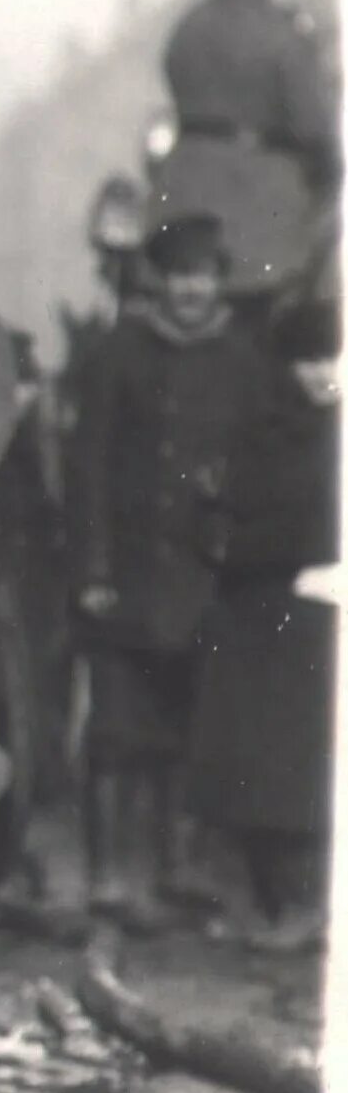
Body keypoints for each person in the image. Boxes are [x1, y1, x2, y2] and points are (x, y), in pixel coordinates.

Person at [67, 212, 264, 928]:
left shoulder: (241, 363)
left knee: (187, 730)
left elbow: (253, 468)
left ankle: (174, 867)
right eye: (179, 275)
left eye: (203, 276)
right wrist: (90, 567)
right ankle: (109, 874)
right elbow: (86, 463)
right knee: (114, 728)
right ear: (159, 280)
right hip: (125, 573)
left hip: (197, 579)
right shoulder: (121, 351)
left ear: (220, 282)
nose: (189, 290)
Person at [191, 295, 337, 954]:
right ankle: (262, 897)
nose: (322, 373)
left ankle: (308, 901)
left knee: (306, 765)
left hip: (320, 613)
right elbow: (225, 506)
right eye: (307, 359)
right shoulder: (267, 425)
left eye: (332, 357)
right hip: (260, 610)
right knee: (255, 762)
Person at [153, 0, 339, 301]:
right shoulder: (286, 34)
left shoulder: (189, 26)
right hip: (265, 203)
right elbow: (314, 128)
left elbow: (173, 79)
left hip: (182, 189)